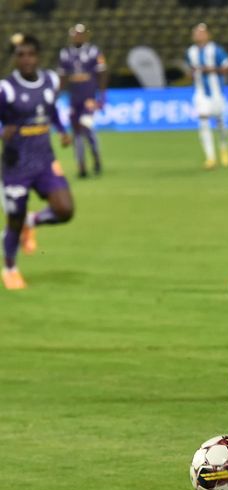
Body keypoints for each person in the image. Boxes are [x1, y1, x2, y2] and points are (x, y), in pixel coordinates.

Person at [1, 34, 74, 290]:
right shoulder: (6, 89)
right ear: (15, 59)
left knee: (65, 210)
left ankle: (31, 224)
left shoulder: (50, 81)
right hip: (16, 165)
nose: (26, 60)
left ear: (38, 56)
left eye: (30, 54)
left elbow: (50, 108)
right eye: (20, 55)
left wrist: (62, 130)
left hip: (44, 160)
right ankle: (10, 267)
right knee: (14, 218)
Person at [58, 23, 107, 178]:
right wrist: (57, 94)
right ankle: (81, 166)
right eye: (75, 34)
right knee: (76, 131)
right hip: (74, 98)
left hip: (89, 98)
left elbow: (102, 73)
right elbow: (63, 76)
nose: (78, 36)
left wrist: (102, 96)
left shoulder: (93, 51)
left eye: (80, 34)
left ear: (85, 35)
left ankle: (95, 158)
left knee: (86, 126)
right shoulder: (65, 53)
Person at [185, 23, 228, 170]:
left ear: (208, 34)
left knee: (220, 123)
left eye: (201, 32)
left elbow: (227, 66)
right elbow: (190, 70)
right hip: (200, 94)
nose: (198, 35)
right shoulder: (190, 52)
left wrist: (212, 69)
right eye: (195, 32)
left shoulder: (215, 50)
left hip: (216, 93)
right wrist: (191, 74)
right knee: (203, 119)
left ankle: (224, 147)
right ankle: (210, 158)